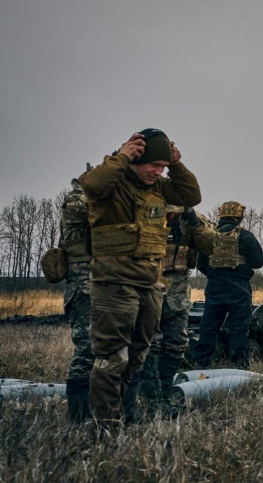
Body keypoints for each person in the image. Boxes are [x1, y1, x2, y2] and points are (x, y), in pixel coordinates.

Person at [79, 129, 201, 425]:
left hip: (150, 285)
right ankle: (105, 427)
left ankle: (125, 415)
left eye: (162, 166)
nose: (158, 172)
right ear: (136, 158)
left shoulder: (157, 188)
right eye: (153, 165)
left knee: (137, 356)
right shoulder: (113, 184)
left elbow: (191, 195)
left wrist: (176, 165)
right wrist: (122, 156)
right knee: (112, 358)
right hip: (115, 284)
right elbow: (91, 184)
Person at [129, 205, 218, 418]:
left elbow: (213, 244)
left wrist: (193, 221)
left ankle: (165, 395)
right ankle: (152, 398)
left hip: (178, 290)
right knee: (150, 343)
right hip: (147, 284)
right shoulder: (143, 210)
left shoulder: (191, 219)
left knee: (176, 342)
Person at [192, 202, 263, 369]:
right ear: (239, 216)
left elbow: (200, 263)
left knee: (209, 325)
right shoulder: (246, 236)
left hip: (215, 286)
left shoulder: (210, 236)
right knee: (239, 326)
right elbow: (258, 262)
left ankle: (201, 362)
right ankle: (239, 364)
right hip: (239, 287)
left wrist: (214, 274)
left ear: (221, 215)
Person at [60, 175, 93, 423]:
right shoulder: (75, 200)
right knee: (86, 349)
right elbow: (84, 208)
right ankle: (78, 416)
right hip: (83, 287)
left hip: (102, 285)